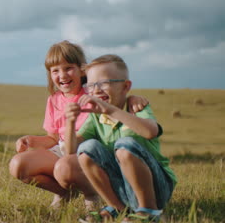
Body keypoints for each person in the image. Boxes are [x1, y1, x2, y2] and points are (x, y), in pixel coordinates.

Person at [8, 41, 148, 210]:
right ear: (50, 75)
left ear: (82, 70)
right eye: (55, 70)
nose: (63, 75)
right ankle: (64, 192)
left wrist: (134, 99)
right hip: (63, 149)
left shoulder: (93, 92)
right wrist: (31, 141)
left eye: (68, 68)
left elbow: (117, 98)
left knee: (65, 166)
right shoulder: (53, 100)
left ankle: (92, 195)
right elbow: (53, 138)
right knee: (18, 165)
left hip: (90, 153)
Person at [64, 54, 176, 222]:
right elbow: (71, 151)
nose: (96, 90)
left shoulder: (136, 107)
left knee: (125, 145)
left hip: (156, 188)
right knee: (86, 149)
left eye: (104, 83)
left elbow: (150, 131)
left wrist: (110, 109)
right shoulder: (96, 117)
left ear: (125, 86)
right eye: (91, 84)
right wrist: (70, 122)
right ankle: (117, 208)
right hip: (123, 188)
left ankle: (149, 212)